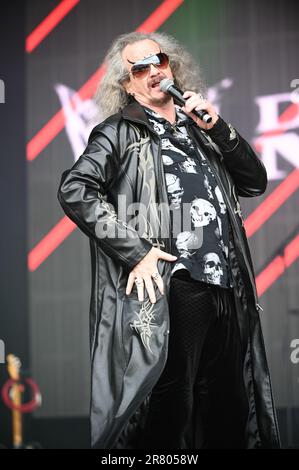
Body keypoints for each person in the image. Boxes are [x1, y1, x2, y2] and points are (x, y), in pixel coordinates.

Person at [57, 31, 280, 449]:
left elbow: (255, 181)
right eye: (138, 68)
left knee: (228, 408)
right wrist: (136, 251)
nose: (152, 71)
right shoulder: (119, 132)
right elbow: (76, 191)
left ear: (171, 66)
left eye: (158, 60)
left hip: (225, 285)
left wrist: (219, 128)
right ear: (126, 84)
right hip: (174, 284)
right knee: (170, 405)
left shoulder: (200, 129)